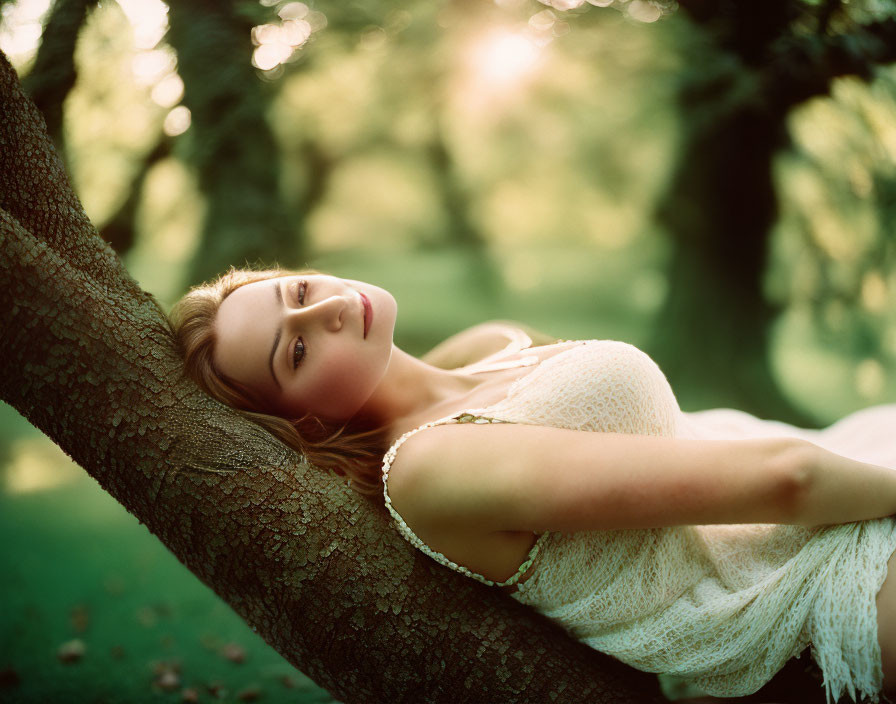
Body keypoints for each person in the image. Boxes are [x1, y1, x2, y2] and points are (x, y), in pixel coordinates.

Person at [168, 266, 896, 704]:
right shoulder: (433, 470)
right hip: (809, 589)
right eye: (296, 349)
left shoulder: (486, 350)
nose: (324, 309)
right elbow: (786, 483)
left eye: (297, 288)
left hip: (837, 472)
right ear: (310, 422)